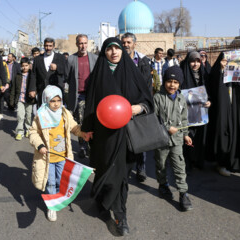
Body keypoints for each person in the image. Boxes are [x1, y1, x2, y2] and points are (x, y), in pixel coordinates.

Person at [82, 38, 153, 236]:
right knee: (103, 169)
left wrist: (136, 108)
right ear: (104, 52)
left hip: (126, 135)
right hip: (103, 136)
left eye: (117, 48)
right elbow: (91, 104)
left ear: (123, 50)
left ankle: (121, 215)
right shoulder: (98, 74)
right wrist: (86, 130)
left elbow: (148, 101)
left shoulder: (131, 72)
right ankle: (101, 200)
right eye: (109, 49)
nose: (113, 52)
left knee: (120, 177)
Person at [29, 85, 88, 222]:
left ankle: (56, 197)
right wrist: (40, 145)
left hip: (63, 156)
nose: (56, 104)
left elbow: (73, 127)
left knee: (60, 180)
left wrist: (83, 133)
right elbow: (33, 133)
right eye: (52, 101)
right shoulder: (41, 115)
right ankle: (52, 207)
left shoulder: (65, 113)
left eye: (58, 100)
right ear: (46, 100)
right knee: (50, 183)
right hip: (47, 158)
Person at [153, 66, 193, 211]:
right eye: (169, 81)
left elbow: (183, 119)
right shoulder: (157, 97)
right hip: (161, 140)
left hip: (177, 140)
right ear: (165, 82)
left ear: (179, 83)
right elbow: (154, 119)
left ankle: (183, 193)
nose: (172, 85)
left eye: (176, 82)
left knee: (179, 166)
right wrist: (165, 128)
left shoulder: (181, 98)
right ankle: (163, 185)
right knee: (161, 164)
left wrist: (186, 134)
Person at [121, 32, 153, 182]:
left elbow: (147, 85)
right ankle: (126, 168)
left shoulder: (142, 61)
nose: (126, 45)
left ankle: (141, 168)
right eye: (124, 42)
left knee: (141, 139)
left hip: (138, 107)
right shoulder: (118, 60)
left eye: (128, 42)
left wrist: (142, 105)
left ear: (134, 43)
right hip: (122, 107)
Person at [206, 52, 240, 176]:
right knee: (224, 133)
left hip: (236, 109)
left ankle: (235, 163)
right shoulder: (217, 72)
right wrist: (221, 69)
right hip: (223, 109)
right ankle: (221, 163)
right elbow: (214, 85)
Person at [66, 34, 98, 159]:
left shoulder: (94, 58)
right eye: (80, 43)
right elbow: (68, 78)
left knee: (92, 121)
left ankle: (91, 146)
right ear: (76, 44)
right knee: (80, 121)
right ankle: (82, 147)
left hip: (92, 96)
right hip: (79, 96)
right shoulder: (71, 59)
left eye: (85, 43)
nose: (83, 46)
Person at [180, 51, 211, 171]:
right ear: (188, 62)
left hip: (202, 113)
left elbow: (210, 92)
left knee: (200, 137)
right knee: (188, 136)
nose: (195, 64)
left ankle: (198, 160)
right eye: (193, 61)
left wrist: (209, 101)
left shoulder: (204, 74)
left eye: (198, 61)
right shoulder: (183, 74)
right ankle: (188, 162)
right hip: (187, 114)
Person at [28, 37, 66, 107]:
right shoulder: (37, 59)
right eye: (46, 46)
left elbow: (66, 71)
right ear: (44, 46)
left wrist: (57, 67)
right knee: (42, 114)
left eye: (50, 46)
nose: (48, 48)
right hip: (42, 92)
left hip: (56, 93)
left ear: (54, 46)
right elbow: (33, 75)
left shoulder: (61, 57)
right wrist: (32, 89)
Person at [10, 57, 36, 140]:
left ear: (29, 65)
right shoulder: (18, 76)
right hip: (20, 99)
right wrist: (12, 100)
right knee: (20, 116)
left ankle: (28, 130)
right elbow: (13, 88)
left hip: (29, 99)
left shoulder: (32, 75)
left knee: (28, 116)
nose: (25, 67)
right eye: (23, 66)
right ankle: (20, 132)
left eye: (26, 65)